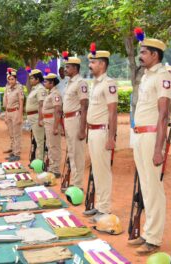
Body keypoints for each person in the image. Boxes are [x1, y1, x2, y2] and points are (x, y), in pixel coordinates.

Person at [127, 37, 171, 255]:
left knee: (153, 188)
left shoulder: (162, 77)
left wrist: (159, 148)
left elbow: (164, 114)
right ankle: (148, 232)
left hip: (152, 137)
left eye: (144, 52)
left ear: (155, 55)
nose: (140, 55)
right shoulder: (147, 77)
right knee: (145, 186)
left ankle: (154, 239)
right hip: (140, 136)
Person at [83, 47, 118, 222]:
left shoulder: (108, 83)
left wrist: (111, 137)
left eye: (93, 62)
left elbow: (113, 112)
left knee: (103, 171)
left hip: (102, 132)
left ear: (102, 64)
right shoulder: (96, 83)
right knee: (96, 171)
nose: (90, 65)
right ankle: (99, 205)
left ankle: (104, 208)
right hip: (93, 131)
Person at [63, 57, 88, 189]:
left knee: (77, 153)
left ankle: (77, 184)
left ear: (75, 68)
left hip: (76, 120)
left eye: (68, 67)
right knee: (72, 152)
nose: (65, 69)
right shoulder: (70, 83)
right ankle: (74, 181)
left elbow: (84, 106)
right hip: (68, 119)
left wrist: (82, 129)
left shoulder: (80, 83)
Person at [42, 72, 63, 177]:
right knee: (50, 145)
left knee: (54, 145)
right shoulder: (50, 93)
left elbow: (58, 110)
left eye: (46, 81)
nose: (44, 83)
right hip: (48, 121)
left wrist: (55, 127)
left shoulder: (56, 94)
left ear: (52, 83)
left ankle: (55, 169)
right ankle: (52, 167)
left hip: (52, 121)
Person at [3, 68, 24, 161]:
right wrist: (6, 115)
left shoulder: (19, 88)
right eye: (9, 79)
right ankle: (13, 151)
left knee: (17, 134)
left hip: (16, 112)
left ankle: (17, 153)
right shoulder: (8, 88)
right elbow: (7, 102)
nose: (10, 81)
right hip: (9, 112)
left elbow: (21, 102)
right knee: (11, 133)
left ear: (16, 79)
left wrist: (20, 116)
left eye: (12, 79)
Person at [25, 69, 46, 161]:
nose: (30, 80)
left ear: (37, 79)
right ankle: (37, 160)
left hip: (36, 116)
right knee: (36, 140)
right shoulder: (34, 89)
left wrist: (41, 119)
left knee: (40, 141)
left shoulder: (40, 89)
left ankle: (39, 163)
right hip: (32, 117)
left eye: (32, 78)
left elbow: (42, 104)